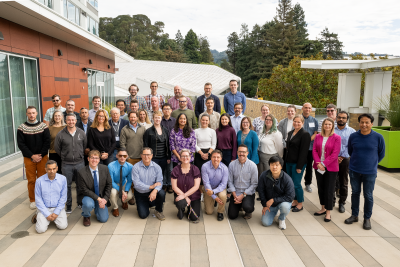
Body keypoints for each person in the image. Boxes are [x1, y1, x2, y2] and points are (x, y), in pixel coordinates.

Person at [345, 114, 385, 230]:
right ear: (359, 123)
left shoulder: (378, 137)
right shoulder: (353, 136)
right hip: (354, 170)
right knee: (355, 193)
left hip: (370, 172)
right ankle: (354, 215)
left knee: (368, 195)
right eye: (362, 122)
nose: (364, 125)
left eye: (367, 122)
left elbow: (381, 154)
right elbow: (350, 151)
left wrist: (372, 163)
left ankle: (367, 218)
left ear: (372, 123)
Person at [17, 106, 50, 210]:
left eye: (33, 113)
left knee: (43, 179)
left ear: (36, 114)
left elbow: (47, 142)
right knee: (31, 180)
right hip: (28, 158)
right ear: (27, 114)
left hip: (42, 157)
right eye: (29, 113)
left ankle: (43, 199)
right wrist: (32, 155)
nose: (31, 115)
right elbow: (21, 144)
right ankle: (33, 200)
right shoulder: (21, 128)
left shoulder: (43, 126)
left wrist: (40, 155)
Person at [54, 113, 87, 213]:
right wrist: (65, 156)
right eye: (69, 120)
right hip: (66, 164)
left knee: (80, 184)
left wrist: (80, 155)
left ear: (76, 121)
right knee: (67, 185)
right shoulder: (61, 134)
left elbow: (84, 146)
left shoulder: (81, 133)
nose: (71, 122)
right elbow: (57, 148)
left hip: (80, 163)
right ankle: (68, 205)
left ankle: (80, 202)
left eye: (73, 120)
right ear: (66, 121)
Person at [313, 118, 341, 222]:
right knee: (321, 188)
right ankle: (323, 208)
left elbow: (335, 153)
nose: (327, 126)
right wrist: (318, 163)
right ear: (323, 125)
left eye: (329, 124)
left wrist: (323, 164)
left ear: (332, 126)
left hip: (331, 168)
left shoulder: (337, 138)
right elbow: (315, 150)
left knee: (329, 189)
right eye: (326, 124)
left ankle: (328, 212)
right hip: (318, 167)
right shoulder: (317, 136)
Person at [31, 160, 68, 233]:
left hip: (57, 207)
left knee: (62, 226)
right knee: (40, 230)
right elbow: (38, 199)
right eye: (49, 169)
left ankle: (51, 218)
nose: (52, 171)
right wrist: (47, 214)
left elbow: (63, 198)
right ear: (45, 169)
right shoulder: (39, 181)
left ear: (57, 168)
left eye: (54, 169)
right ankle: (38, 214)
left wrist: (56, 212)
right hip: (44, 208)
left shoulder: (63, 179)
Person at [77, 150, 112, 226]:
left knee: (103, 219)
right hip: (88, 196)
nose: (94, 160)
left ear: (99, 159)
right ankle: (86, 216)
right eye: (92, 158)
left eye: (96, 158)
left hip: (101, 196)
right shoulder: (81, 172)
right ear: (88, 159)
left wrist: (105, 199)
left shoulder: (105, 168)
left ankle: (97, 209)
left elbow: (109, 184)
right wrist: (99, 199)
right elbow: (84, 190)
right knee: (88, 204)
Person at [258, 156, 294, 230]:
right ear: (269, 165)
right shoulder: (264, 175)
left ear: (281, 166)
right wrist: (264, 205)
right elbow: (261, 191)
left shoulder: (287, 179)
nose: (274, 167)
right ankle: (275, 211)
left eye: (277, 165)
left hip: (282, 202)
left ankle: (281, 218)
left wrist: (274, 200)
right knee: (265, 223)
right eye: (272, 164)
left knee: (285, 207)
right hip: (270, 204)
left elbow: (290, 196)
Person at [131, 148, 166, 220]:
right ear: (141, 155)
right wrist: (151, 186)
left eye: (148, 154)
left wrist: (155, 191)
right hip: (140, 193)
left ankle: (158, 210)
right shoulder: (136, 167)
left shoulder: (157, 167)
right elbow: (137, 184)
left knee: (161, 193)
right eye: (144, 154)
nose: (146, 157)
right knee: (143, 215)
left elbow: (160, 182)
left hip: (151, 192)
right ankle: (148, 203)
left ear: (152, 155)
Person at [286, 115, 311, 212]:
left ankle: (300, 203)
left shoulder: (305, 134)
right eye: (295, 121)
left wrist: (299, 166)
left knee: (296, 184)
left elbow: (304, 152)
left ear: (302, 123)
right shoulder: (291, 132)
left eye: (298, 122)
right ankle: (295, 201)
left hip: (298, 164)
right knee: (291, 183)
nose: (296, 123)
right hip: (289, 162)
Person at [143, 111, 172, 193]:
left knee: (161, 174)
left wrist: (168, 157)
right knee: (152, 175)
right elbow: (145, 145)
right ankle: (151, 190)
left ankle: (159, 191)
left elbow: (168, 144)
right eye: (155, 117)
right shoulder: (148, 131)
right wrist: (147, 157)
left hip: (163, 157)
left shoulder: (165, 130)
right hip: (153, 158)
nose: (157, 119)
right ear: (153, 118)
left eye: (159, 117)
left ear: (161, 118)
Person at [227, 144, 258, 220]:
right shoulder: (232, 165)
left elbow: (254, 184)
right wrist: (234, 195)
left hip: (247, 193)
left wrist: (243, 195)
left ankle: (247, 209)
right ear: (237, 152)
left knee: (248, 207)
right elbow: (229, 181)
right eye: (240, 152)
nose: (242, 154)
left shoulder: (253, 166)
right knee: (232, 216)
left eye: (244, 152)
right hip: (236, 192)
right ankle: (240, 205)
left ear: (247, 153)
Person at [171, 149, 201, 223]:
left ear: (190, 157)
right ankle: (181, 208)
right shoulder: (175, 169)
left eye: (187, 156)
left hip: (194, 195)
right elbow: (174, 187)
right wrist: (185, 197)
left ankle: (189, 207)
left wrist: (185, 195)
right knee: (181, 203)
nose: (185, 158)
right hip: (180, 194)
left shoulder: (195, 169)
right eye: (183, 156)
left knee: (193, 218)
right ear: (180, 158)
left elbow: (196, 187)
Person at [334, 111, 356, 213]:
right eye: (339, 117)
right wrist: (335, 157)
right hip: (332, 159)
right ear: (336, 118)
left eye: (343, 118)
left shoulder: (352, 131)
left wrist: (342, 156)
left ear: (347, 119)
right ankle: (331, 201)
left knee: (343, 182)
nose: (341, 119)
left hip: (345, 159)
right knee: (332, 181)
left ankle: (342, 202)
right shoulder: (331, 130)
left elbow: (352, 146)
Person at [201, 150, 228, 221]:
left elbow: (223, 184)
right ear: (211, 158)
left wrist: (213, 192)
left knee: (223, 196)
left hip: (219, 188)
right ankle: (213, 200)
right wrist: (214, 196)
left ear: (221, 158)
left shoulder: (225, 168)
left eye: (218, 157)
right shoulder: (205, 166)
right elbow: (206, 183)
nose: (216, 159)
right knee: (209, 212)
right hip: (208, 189)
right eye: (214, 157)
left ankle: (220, 212)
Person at [108, 148, 134, 217]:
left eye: (124, 156)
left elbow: (129, 181)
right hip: (114, 183)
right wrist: (120, 190)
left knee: (129, 196)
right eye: (120, 155)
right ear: (116, 156)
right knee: (113, 193)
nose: (122, 157)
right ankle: (115, 208)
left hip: (123, 182)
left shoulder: (130, 166)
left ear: (127, 156)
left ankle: (124, 201)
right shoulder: (110, 166)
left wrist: (125, 191)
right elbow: (111, 181)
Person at [301, 103, 318, 193]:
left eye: (309, 108)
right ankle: (297, 183)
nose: (307, 109)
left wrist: (307, 142)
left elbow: (315, 133)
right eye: (306, 108)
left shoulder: (314, 120)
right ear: (302, 108)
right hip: (299, 148)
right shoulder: (298, 119)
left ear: (311, 110)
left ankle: (308, 184)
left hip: (310, 148)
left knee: (309, 167)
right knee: (299, 165)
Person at [161, 103, 176, 193]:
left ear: (171, 110)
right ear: (162, 110)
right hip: (162, 146)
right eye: (165, 109)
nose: (166, 110)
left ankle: (170, 184)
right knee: (163, 167)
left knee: (170, 168)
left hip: (173, 147)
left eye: (168, 109)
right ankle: (164, 184)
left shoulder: (174, 121)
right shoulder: (160, 121)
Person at [277, 105, 296, 170]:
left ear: (295, 112)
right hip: (284, 146)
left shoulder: (297, 122)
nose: (290, 112)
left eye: (292, 111)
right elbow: (280, 135)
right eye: (288, 111)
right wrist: (285, 145)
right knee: (284, 164)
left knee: (291, 164)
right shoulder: (282, 122)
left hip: (294, 146)